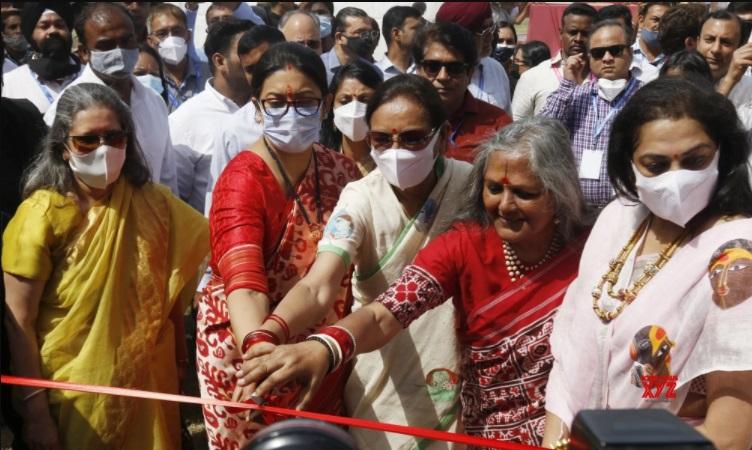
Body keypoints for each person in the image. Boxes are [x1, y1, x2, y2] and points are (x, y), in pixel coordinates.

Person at [238, 117, 589, 447]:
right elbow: (385, 313)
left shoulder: (592, 249)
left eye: (524, 194)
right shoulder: (464, 244)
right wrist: (324, 348)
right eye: (493, 188)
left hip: (576, 431)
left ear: (557, 193)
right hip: (489, 437)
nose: (505, 205)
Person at [233, 74, 472, 450]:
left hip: (456, 359)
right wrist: (267, 335)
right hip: (378, 361)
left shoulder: (472, 188)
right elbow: (319, 283)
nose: (397, 150)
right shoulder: (360, 197)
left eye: (412, 138)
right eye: (382, 139)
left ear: (442, 138)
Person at [542, 77, 752, 450]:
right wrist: (557, 441)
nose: (677, 178)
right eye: (656, 165)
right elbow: (572, 353)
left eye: (695, 160)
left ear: (724, 153)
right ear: (629, 165)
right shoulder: (617, 220)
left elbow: (732, 434)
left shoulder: (738, 254)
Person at [2, 82, 209, 449]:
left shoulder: (155, 203)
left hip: (149, 382)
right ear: (63, 147)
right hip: (75, 390)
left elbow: (171, 291)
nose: (103, 149)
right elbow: (18, 320)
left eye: (114, 137)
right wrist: (34, 413)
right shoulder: (41, 215)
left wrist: (179, 361)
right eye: (88, 140)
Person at [195, 42, 361, 449]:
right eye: (276, 102)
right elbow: (245, 281)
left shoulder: (343, 170)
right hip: (247, 349)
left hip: (318, 349)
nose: (291, 113)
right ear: (257, 108)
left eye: (304, 101)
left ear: (323, 107)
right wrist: (260, 353)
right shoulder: (242, 179)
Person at [45, 2, 178, 194]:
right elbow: (59, 182)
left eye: (126, 41)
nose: (120, 51)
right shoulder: (66, 109)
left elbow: (167, 176)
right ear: (83, 52)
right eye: (106, 45)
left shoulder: (153, 101)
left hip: (153, 218)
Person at [542, 20, 642, 210]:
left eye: (615, 50)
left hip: (628, 212)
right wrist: (567, 84)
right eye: (598, 53)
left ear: (630, 52)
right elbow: (543, 131)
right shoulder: (577, 95)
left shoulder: (647, 99)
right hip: (578, 212)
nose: (607, 58)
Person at [170, 18, 253, 213]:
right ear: (219, 61)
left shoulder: (273, 109)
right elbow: (175, 198)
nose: (256, 61)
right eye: (245, 53)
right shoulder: (185, 120)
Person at [206, 25, 285, 216]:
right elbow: (219, 200)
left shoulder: (313, 110)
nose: (260, 74)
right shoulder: (233, 129)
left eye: (268, 62)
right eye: (250, 69)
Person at [414, 22, 511, 164]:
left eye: (455, 68)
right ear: (418, 69)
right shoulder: (398, 117)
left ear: (470, 72)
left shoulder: (497, 124)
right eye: (432, 66)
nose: (443, 76)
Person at [512, 2, 597, 120]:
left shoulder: (604, 75)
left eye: (585, 34)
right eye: (572, 33)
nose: (578, 39)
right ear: (561, 33)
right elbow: (517, 126)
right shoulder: (533, 76)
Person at [2, 3, 80, 114]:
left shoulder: (88, 74)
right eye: (44, 26)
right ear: (31, 35)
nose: (53, 31)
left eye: (59, 25)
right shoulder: (10, 83)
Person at [435, 2, 512, 113]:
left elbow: (508, 123)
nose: (491, 36)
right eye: (483, 31)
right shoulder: (429, 73)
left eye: (492, 28)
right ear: (457, 36)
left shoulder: (496, 69)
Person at [319, 60, 382, 175]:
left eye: (364, 100)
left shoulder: (388, 162)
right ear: (331, 106)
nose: (354, 108)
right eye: (345, 101)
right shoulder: (320, 160)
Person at [147, 3, 210, 112]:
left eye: (177, 31)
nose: (171, 38)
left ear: (188, 36)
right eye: (162, 34)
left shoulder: (210, 73)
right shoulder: (147, 80)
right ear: (151, 42)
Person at [697, 11, 752, 131]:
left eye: (726, 42)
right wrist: (729, 81)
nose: (716, 49)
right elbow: (695, 128)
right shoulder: (677, 81)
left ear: (740, 47)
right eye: (709, 40)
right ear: (697, 42)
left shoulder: (750, 89)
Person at [321, 7, 377, 84]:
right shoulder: (319, 67)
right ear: (339, 37)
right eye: (360, 32)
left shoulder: (372, 71)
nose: (368, 37)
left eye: (370, 32)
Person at [376, 5, 422, 80]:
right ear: (396, 34)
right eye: (416, 28)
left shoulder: (425, 71)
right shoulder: (375, 72)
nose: (422, 32)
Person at [633, 3, 672, 70]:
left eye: (666, 21)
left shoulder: (676, 59)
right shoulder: (626, 55)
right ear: (641, 21)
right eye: (656, 20)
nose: (660, 25)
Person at [1, 7, 28, 72]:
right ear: (3, 33)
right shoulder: (2, 59)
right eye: (13, 27)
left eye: (22, 26)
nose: (19, 31)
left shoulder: (37, 56)